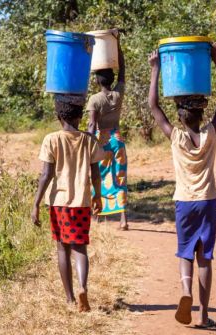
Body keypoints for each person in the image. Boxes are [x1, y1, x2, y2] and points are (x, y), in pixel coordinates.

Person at [147, 42, 216, 328]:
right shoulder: (211, 134)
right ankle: (204, 316)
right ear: (201, 114)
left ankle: (185, 292)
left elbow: (153, 106)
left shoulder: (176, 138)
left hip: (184, 201)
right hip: (207, 200)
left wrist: (156, 69)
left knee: (185, 253)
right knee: (204, 258)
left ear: (180, 117)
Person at [31, 94, 105, 312]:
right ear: (80, 117)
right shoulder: (89, 140)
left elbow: (46, 174)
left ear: (58, 116)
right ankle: (83, 287)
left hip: (59, 202)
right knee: (80, 247)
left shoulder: (51, 139)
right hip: (81, 202)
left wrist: (35, 203)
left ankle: (70, 298)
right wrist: (97, 196)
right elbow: (96, 172)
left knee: (62, 248)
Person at [86, 29, 129, 230]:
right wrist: (117, 44)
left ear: (96, 80)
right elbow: (123, 70)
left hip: (100, 141)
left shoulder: (94, 100)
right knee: (120, 176)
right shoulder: (117, 94)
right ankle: (123, 219)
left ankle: (96, 216)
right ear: (112, 79)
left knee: (98, 176)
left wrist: (87, 140)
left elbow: (92, 125)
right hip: (117, 139)